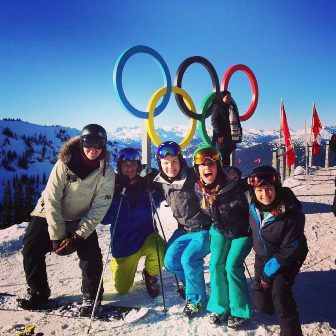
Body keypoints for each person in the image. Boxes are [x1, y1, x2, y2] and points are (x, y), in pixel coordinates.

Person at [18, 124, 115, 317]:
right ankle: (39, 291)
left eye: (98, 145)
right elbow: (51, 199)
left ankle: (91, 298)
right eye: (88, 143)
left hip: (79, 217)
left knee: (91, 257)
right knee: (31, 248)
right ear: (81, 143)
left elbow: (98, 209)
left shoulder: (106, 173)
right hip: (48, 213)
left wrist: (78, 237)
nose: (93, 150)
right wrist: (58, 236)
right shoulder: (64, 163)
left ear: (103, 146)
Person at [193, 144, 252, 329]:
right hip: (219, 230)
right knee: (216, 264)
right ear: (198, 170)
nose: (207, 168)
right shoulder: (199, 188)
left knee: (231, 265)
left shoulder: (233, 184)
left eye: (211, 165)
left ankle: (239, 310)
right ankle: (219, 307)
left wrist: (236, 173)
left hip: (242, 232)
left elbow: (254, 183)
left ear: (218, 167)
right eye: (203, 166)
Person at [246, 165, 308, 336]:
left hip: (288, 257)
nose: (264, 194)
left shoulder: (291, 212)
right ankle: (268, 302)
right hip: (263, 254)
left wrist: (268, 273)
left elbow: (291, 248)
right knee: (261, 303)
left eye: (269, 189)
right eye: (260, 189)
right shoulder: (252, 204)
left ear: (276, 188)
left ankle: (291, 331)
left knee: (280, 293)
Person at [153, 141, 212, 319]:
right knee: (170, 262)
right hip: (184, 231)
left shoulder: (193, 176)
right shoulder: (161, 181)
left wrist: (231, 173)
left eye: (174, 161)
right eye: (166, 163)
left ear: (181, 160)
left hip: (204, 230)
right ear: (160, 165)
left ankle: (196, 299)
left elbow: (211, 174)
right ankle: (191, 286)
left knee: (188, 259)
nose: (170, 167)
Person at [101, 148, 165, 298]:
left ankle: (150, 274)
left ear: (138, 166)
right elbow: (104, 219)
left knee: (160, 251)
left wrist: (155, 175)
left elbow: (167, 190)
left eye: (133, 164)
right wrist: (117, 197)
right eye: (125, 164)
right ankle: (117, 264)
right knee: (122, 289)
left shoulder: (147, 184)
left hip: (147, 237)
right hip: (124, 245)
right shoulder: (113, 187)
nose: (129, 168)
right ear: (120, 167)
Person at [211, 90, 242, 166]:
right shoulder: (218, 107)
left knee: (227, 155)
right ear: (222, 98)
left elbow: (237, 120)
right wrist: (219, 135)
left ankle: (226, 172)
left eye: (230, 97)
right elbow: (214, 121)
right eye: (227, 97)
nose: (229, 99)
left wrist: (239, 132)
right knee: (222, 156)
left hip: (230, 136)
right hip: (221, 138)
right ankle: (221, 172)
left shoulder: (232, 107)